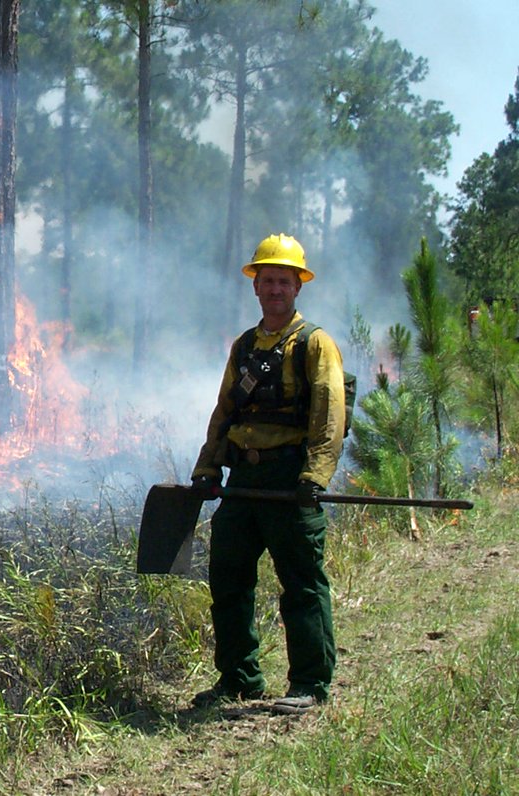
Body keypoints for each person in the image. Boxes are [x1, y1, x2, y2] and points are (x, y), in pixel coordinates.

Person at [189, 233, 346, 715]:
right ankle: (238, 678)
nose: (275, 288)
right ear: (255, 287)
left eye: (284, 280)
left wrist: (314, 478)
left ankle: (310, 685)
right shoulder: (243, 346)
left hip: (289, 478)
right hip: (244, 482)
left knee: (301, 583)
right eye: (267, 280)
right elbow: (225, 411)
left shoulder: (315, 344)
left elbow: (329, 414)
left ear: (298, 287)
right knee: (228, 578)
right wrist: (207, 466)